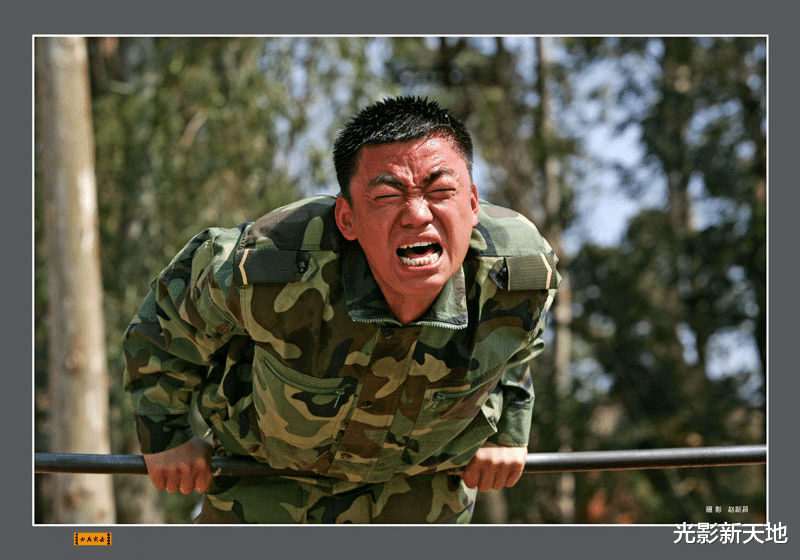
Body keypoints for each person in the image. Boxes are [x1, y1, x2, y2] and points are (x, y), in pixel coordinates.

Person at [123, 96, 560, 523]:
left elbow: (521, 342)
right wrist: (166, 437)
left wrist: (509, 432)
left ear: (473, 204)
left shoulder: (516, 271)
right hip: (267, 484)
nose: (416, 214)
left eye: (441, 191)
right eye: (387, 196)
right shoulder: (273, 261)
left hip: (420, 488)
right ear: (347, 219)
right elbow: (167, 321)